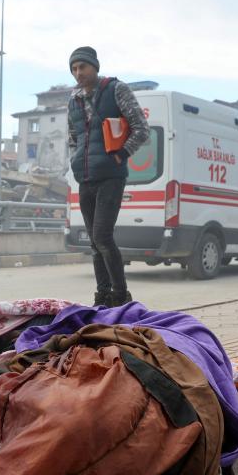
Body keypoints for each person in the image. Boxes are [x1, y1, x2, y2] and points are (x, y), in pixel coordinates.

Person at [67, 46, 149, 307]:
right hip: (85, 177)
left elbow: (141, 128)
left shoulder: (116, 89)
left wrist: (121, 154)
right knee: (94, 242)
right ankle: (102, 296)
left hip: (111, 176)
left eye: (82, 67)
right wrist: (75, 161)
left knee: (102, 236)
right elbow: (73, 137)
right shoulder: (73, 99)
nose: (78, 73)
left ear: (95, 66)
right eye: (74, 68)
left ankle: (120, 295)